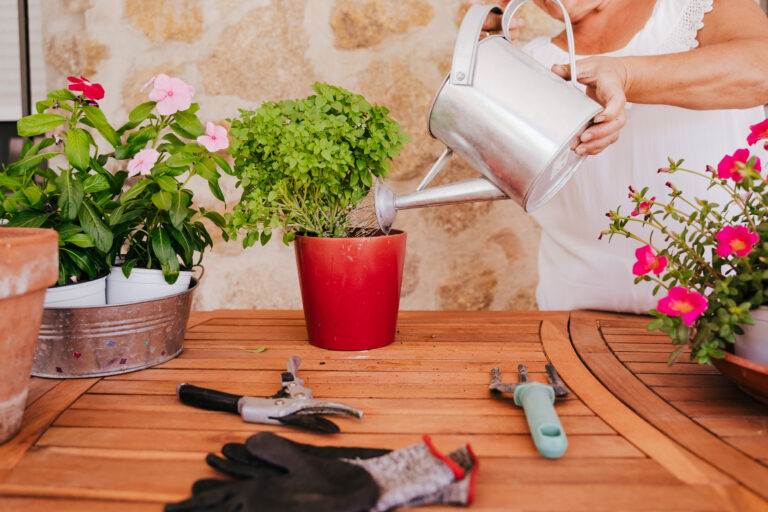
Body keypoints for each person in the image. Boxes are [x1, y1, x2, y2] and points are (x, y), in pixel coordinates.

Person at [477, 0, 768, 312]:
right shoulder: (529, 60)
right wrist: (483, 55)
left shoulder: (692, 8)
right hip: (572, 320)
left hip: (728, 319)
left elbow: (760, 69)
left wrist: (626, 75)